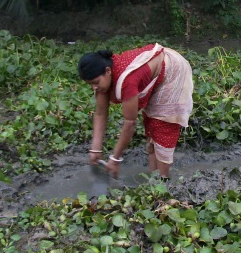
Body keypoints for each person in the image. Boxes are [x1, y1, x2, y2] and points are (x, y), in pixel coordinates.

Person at [77, 43, 193, 179]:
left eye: (95, 82)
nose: (93, 88)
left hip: (173, 69)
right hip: (153, 71)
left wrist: (115, 159)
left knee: (162, 125)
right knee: (150, 124)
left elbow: (130, 123)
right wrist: (95, 148)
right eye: (89, 84)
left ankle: (163, 180)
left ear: (108, 71)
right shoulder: (103, 81)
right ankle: (153, 179)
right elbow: (100, 113)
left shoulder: (127, 80)